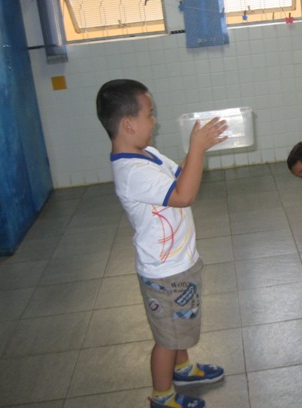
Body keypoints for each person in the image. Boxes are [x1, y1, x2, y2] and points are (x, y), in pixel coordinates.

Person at [96, 79, 228, 408]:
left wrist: (197, 152)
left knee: (178, 325)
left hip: (178, 263)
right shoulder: (131, 172)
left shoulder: (148, 155)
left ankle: (183, 369)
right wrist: (196, 149)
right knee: (167, 338)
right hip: (164, 272)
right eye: (150, 114)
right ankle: (162, 396)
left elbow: (179, 177)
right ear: (129, 124)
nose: (155, 121)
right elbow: (184, 196)